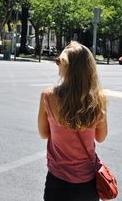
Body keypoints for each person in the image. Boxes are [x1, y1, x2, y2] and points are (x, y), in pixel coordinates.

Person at [38, 41, 108, 201]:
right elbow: (101, 137)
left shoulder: (48, 96)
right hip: (87, 182)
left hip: (57, 179)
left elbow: (43, 133)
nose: (57, 65)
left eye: (59, 62)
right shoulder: (99, 99)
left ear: (68, 66)